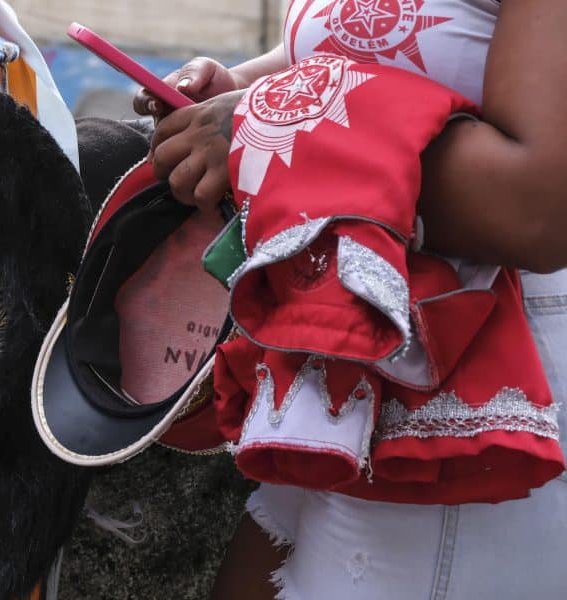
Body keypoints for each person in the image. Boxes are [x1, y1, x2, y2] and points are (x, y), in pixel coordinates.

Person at [134, 0, 567, 598]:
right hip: (348, 345)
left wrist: (272, 121)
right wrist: (242, 85)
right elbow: (364, 46)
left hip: (490, 361)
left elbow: (538, 209)